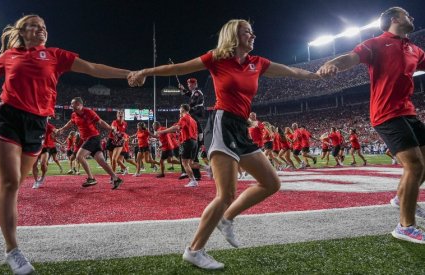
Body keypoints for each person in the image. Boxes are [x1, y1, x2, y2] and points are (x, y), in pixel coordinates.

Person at [129, 19, 319, 269]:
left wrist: (315, 75)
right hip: (221, 123)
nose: (253, 35)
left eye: (252, 31)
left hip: (240, 128)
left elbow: (291, 71)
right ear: (234, 36)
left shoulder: (257, 63)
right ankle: (195, 250)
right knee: (226, 194)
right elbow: (182, 68)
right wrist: (145, 71)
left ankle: (227, 218)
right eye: (247, 32)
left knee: (271, 182)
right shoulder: (216, 58)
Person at [0, 15, 132, 274]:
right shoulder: (10, 56)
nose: (41, 30)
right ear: (22, 31)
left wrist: (127, 73)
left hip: (37, 124)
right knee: (10, 184)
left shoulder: (54, 55)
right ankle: (12, 250)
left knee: (13, 185)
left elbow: (93, 68)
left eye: (44, 27)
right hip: (8, 118)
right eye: (35, 26)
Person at [318, 7, 425, 243]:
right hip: (386, 113)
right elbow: (351, 57)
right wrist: (332, 63)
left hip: (408, 112)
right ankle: (405, 226)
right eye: (408, 14)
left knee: (423, 165)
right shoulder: (376, 43)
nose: (412, 17)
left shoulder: (415, 50)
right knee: (415, 166)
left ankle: (400, 198)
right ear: (395, 19)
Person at [56, 97, 124, 189]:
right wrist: (62, 129)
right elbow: (70, 123)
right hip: (89, 139)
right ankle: (116, 179)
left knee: (79, 156)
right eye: (71, 104)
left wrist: (111, 128)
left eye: (74, 104)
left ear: (80, 105)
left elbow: (100, 122)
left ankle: (91, 178)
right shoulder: (73, 115)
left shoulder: (89, 112)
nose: (72, 106)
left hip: (93, 138)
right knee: (101, 161)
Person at [31, 122, 56, 189]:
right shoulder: (31, 123)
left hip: (45, 147)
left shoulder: (47, 124)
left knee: (43, 164)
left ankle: (42, 177)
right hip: (34, 146)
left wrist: (56, 131)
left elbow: (54, 129)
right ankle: (36, 181)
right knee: (34, 165)